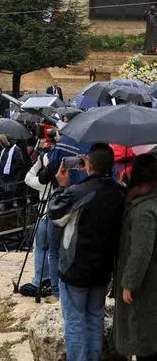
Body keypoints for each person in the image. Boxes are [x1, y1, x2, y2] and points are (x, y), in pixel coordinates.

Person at [48, 143, 125, 361]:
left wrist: (62, 187)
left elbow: (55, 215)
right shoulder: (120, 191)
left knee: (74, 321)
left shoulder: (79, 191)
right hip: (103, 267)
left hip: (75, 267)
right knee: (94, 319)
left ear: (88, 164)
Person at [115, 154, 157, 360]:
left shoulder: (143, 210)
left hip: (147, 283)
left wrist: (128, 283)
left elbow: (141, 251)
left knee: (144, 338)